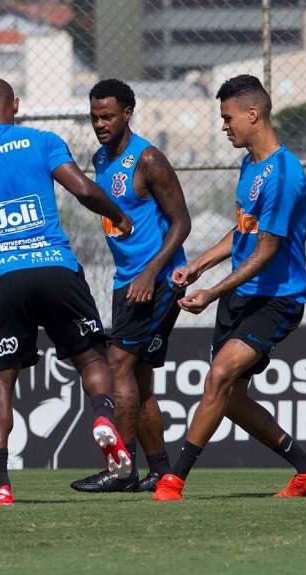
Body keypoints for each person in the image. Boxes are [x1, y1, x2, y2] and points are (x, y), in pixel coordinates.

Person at [0, 78, 135, 505]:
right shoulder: (43, 141)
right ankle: (102, 418)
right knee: (90, 358)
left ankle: (0, 486)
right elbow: (81, 188)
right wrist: (117, 212)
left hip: (6, 277)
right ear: (16, 106)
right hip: (56, 268)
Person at [153, 75, 306, 500]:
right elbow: (243, 233)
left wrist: (211, 293)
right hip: (240, 297)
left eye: (228, 118)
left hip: (275, 299)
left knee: (220, 375)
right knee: (229, 398)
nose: (224, 126)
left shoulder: (284, 174)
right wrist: (198, 266)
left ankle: (173, 480)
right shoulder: (250, 165)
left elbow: (265, 251)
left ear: (253, 114)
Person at [70, 79, 191, 493]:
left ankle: (119, 469)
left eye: (107, 116)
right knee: (137, 379)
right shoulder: (100, 159)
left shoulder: (149, 159)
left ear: (127, 113)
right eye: (94, 117)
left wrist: (149, 272)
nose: (99, 123)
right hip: (127, 283)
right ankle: (158, 470)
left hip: (156, 281)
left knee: (117, 364)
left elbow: (182, 223)